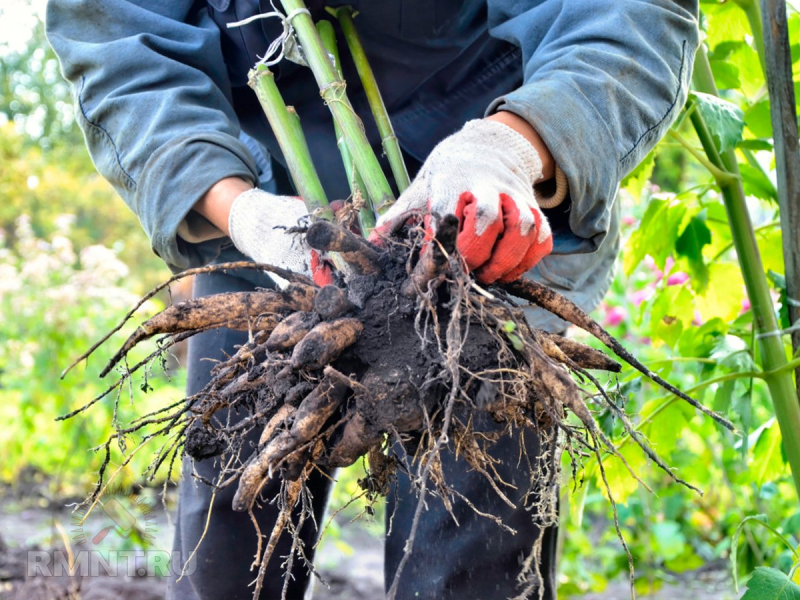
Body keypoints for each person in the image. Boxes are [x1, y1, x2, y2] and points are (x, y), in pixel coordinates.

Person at [46, 1, 699, 598]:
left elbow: (626, 16)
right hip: (273, 222)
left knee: (472, 551)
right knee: (230, 540)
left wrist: (507, 149)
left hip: (481, 224)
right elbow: (119, 39)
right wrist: (237, 209)